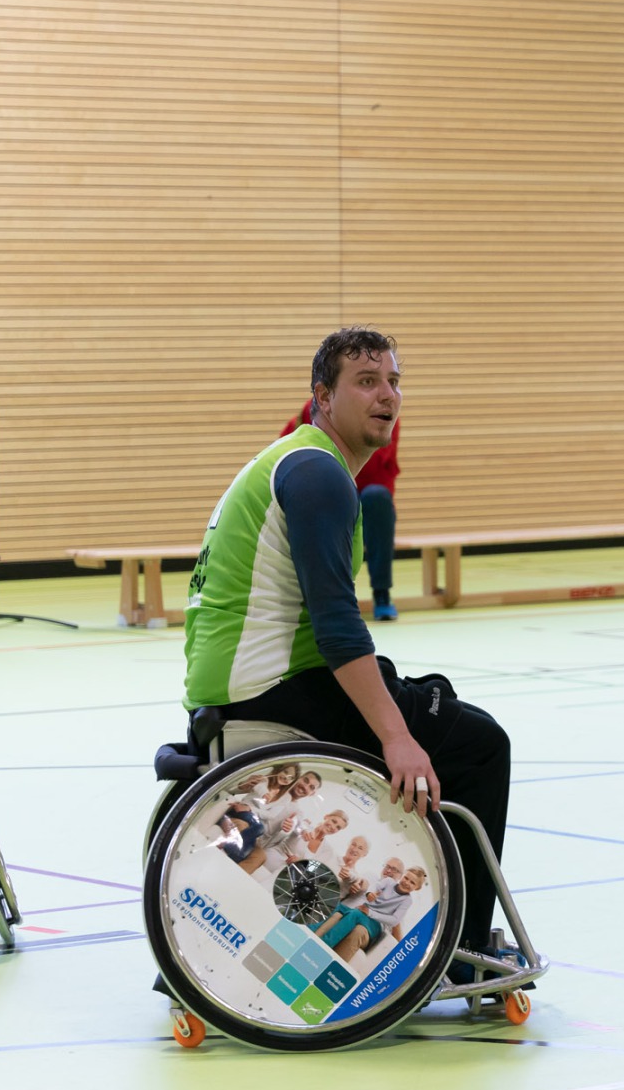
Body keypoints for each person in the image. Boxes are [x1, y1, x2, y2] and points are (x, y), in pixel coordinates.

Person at [183, 326, 512, 965]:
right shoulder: (317, 474)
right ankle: (461, 950)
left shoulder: (299, 461)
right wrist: (396, 737)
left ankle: (441, 931)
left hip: (242, 680)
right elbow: (337, 626)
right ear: (323, 398)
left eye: (393, 381)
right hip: (271, 687)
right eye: (366, 381)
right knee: (478, 744)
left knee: (433, 703)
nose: (387, 394)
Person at [282, 397, 400, 620]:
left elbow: (379, 467)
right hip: (329, 495)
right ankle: (324, 600)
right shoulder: (312, 410)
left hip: (368, 499)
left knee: (377, 497)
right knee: (322, 499)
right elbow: (285, 454)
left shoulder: (384, 412)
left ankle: (382, 594)